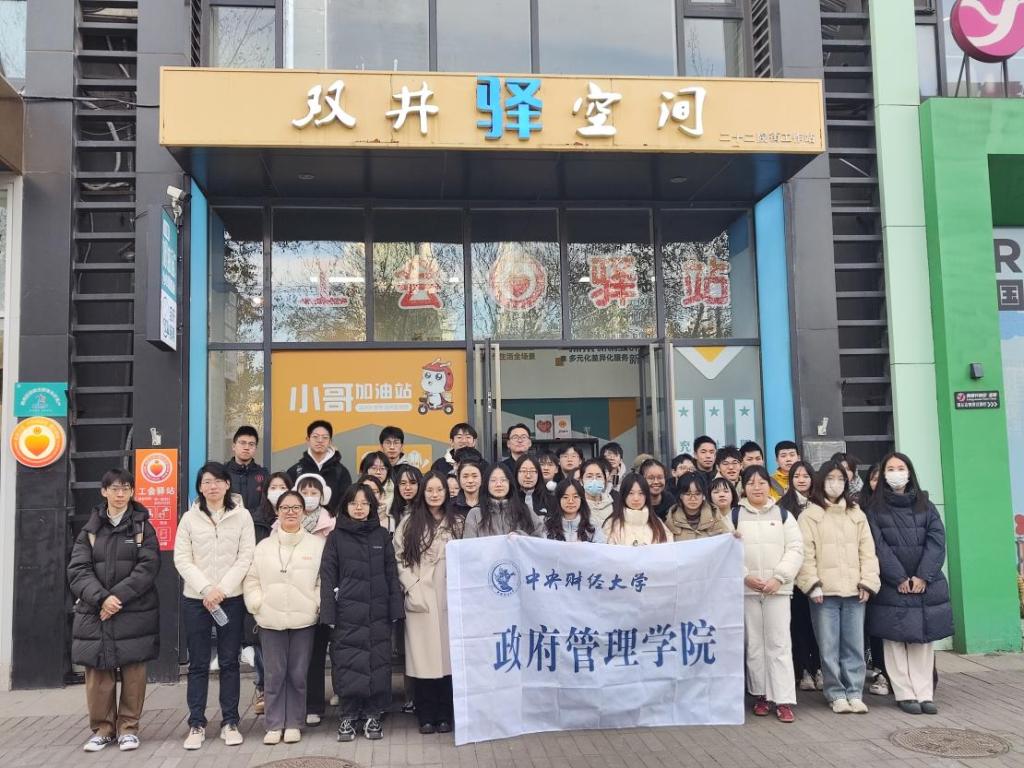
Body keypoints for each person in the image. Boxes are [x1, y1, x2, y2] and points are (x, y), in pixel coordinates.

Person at [68, 469, 160, 753]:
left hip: (134, 610)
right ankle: (103, 730)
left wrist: (116, 598)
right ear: (103, 491)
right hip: (96, 611)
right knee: (98, 673)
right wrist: (102, 599)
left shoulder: (143, 527)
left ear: (132, 492)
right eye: (115, 489)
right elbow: (78, 570)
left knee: (133, 672)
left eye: (126, 489)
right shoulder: (90, 530)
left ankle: (128, 728)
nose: (120, 494)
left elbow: (148, 567)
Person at [174, 462, 256, 750]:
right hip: (197, 600)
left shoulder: (242, 516)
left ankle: (230, 722)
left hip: (230, 599)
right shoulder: (189, 518)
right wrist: (207, 589)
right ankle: (196, 723)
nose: (213, 486)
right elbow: (182, 558)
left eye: (218, 481)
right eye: (207, 482)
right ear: (200, 486)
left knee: (229, 661)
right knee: (197, 663)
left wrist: (222, 589)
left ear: (227, 484)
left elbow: (246, 556)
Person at [866, 452, 952, 715]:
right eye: (890, 469)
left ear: (909, 471)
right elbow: (877, 546)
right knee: (894, 640)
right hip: (893, 584)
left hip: (925, 583)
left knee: (922, 640)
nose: (896, 473)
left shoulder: (926, 504)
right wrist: (899, 578)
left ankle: (924, 693)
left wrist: (923, 576)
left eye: (900, 468)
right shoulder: (874, 508)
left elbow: (937, 542)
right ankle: (904, 693)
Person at [321, 484, 404, 741]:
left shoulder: (381, 536)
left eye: (364, 503)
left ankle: (372, 714)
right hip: (347, 612)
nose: (359, 508)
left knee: (378, 663)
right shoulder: (335, 537)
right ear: (345, 506)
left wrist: (395, 608)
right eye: (353, 503)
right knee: (347, 663)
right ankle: (348, 715)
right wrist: (329, 613)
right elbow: (327, 576)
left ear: (372, 507)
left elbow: (391, 574)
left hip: (378, 611)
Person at [797, 460, 880, 715]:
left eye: (841, 479)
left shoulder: (856, 514)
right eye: (830, 478)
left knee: (854, 645)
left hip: (855, 591)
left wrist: (868, 582)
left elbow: (868, 552)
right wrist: (812, 585)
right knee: (829, 646)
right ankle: (835, 693)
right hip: (824, 593)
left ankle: (854, 692)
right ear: (821, 482)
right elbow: (805, 554)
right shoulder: (809, 515)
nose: (836, 484)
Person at [244, 490, 325, 745]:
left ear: (303, 512)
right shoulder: (264, 547)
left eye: (296, 507)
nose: (290, 512)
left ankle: (294, 723)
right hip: (270, 619)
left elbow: (323, 580)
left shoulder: (316, 545)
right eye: (285, 508)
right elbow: (252, 580)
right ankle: (274, 723)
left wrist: (316, 603)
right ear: (277, 512)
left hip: (304, 619)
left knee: (298, 674)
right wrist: (257, 603)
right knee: (274, 674)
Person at [393, 471, 463, 734]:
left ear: (447, 492)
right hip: (420, 595)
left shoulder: (457, 523)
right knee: (423, 659)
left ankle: (445, 713)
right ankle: (425, 714)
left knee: (448, 658)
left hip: (448, 595)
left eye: (439, 490)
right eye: (430, 490)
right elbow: (398, 559)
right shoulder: (409, 523)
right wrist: (412, 586)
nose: (434, 495)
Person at [734, 464, 803, 724]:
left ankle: (783, 699)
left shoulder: (784, 515)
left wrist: (779, 577)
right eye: (751, 482)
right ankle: (760, 695)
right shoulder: (734, 516)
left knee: (779, 643)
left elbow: (795, 549)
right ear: (744, 487)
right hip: (748, 591)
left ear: (769, 485)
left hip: (778, 591)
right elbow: (727, 550)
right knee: (755, 644)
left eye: (761, 482)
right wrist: (744, 576)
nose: (757, 487)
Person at [289, 474, 338, 726]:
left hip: (320, 595)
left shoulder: (331, 525)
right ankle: (293, 705)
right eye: (304, 491)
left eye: (313, 492)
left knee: (317, 654)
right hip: (291, 596)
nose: (309, 496)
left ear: (322, 495)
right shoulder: (283, 523)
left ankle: (315, 705)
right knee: (294, 656)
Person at [777, 461, 822, 694]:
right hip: (794, 577)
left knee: (818, 625)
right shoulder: (782, 506)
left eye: (806, 476)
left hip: (818, 575)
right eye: (797, 476)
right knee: (798, 624)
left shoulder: (821, 504)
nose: (802, 480)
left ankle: (819, 668)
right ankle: (803, 669)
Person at [250, 472, 292, 716]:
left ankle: (288, 693)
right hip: (265, 588)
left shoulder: (295, 517)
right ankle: (264, 688)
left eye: (282, 487)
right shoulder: (256, 520)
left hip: (291, 589)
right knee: (262, 643)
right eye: (273, 487)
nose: (278, 491)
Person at [464, 463, 545, 538]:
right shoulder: (475, 514)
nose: (499, 484)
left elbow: (540, 538)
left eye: (503, 480)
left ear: (510, 483)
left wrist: (520, 536)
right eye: (493, 480)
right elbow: (469, 545)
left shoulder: (524, 509)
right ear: (486, 484)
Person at [287, 420, 353, 513]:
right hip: (300, 521)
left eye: (325, 437)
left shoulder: (341, 471)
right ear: (308, 440)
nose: (320, 441)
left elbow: (346, 501)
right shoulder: (295, 470)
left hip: (332, 521)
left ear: (330, 441)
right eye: (315, 437)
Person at [603, 473, 670, 546]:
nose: (636, 498)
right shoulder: (611, 525)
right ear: (624, 495)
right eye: (631, 493)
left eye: (641, 493)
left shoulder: (658, 524)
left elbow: (668, 549)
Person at [665, 472, 733, 542]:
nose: (693, 498)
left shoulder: (716, 517)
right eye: (688, 494)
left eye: (697, 494)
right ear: (680, 495)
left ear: (703, 495)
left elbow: (727, 542)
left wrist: (734, 537)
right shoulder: (670, 521)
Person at [545, 477, 605, 542]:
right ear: (558, 500)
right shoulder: (547, 527)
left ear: (581, 499)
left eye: (575, 497)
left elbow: (600, 547)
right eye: (565, 497)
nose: (571, 501)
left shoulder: (593, 527)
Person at [225, 426, 268, 515]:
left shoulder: (264, 475)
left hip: (256, 522)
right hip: (228, 521)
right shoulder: (222, 473)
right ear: (233, 446)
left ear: (255, 449)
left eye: (251, 444)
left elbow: (266, 506)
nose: (246, 447)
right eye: (242, 443)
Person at [580, 458, 615, 529]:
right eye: (589, 476)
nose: (594, 480)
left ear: (605, 480)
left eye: (599, 476)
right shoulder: (577, 505)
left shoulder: (614, 503)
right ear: (581, 480)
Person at [359, 450, 394, 520]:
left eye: (382, 468)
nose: (378, 472)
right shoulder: (356, 491)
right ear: (365, 470)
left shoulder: (397, 492)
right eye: (374, 468)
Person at [388, 465, 423, 531]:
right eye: (403, 483)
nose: (408, 487)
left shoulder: (427, 511)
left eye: (413, 483)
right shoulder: (389, 510)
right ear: (397, 486)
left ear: (420, 485)